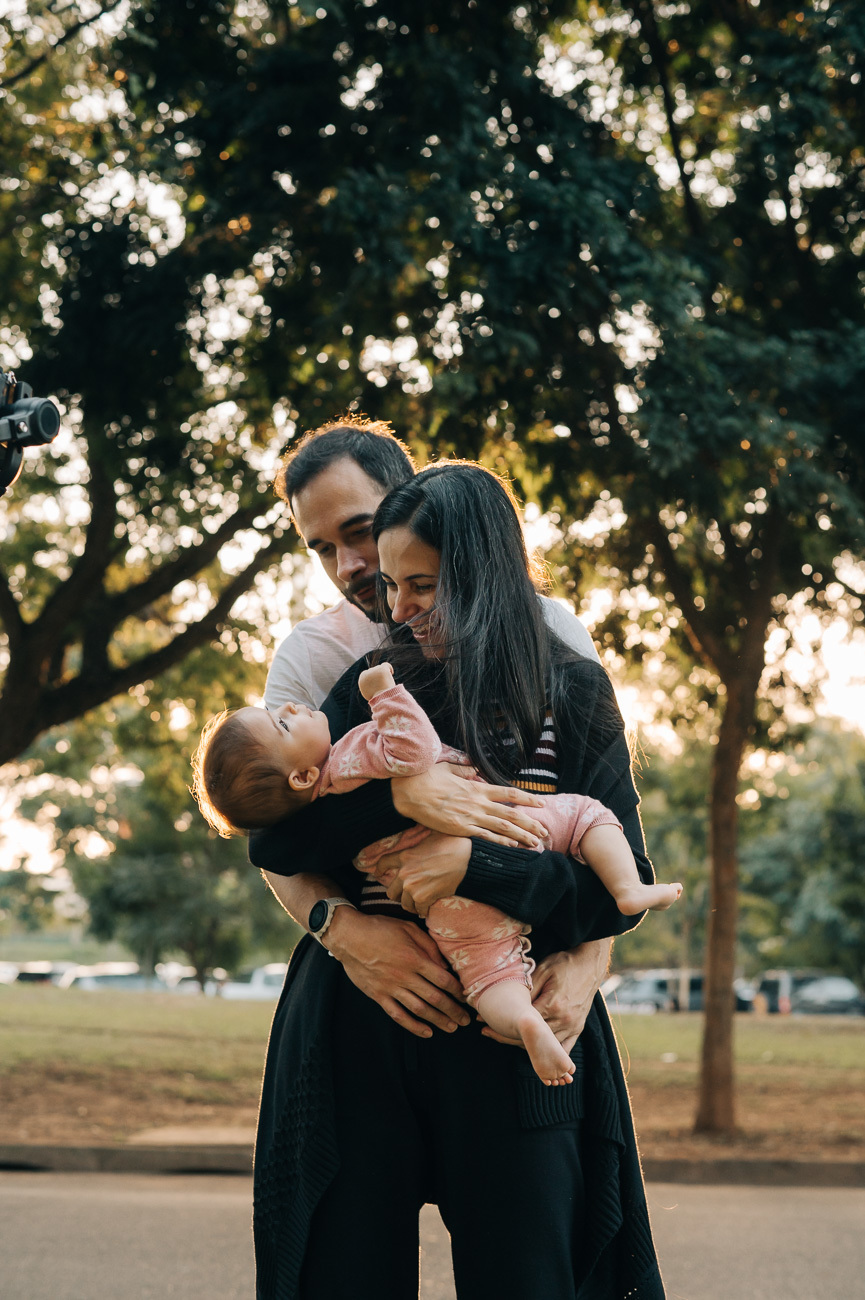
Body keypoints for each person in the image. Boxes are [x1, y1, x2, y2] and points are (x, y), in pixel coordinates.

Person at [249, 457, 666, 1299]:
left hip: (511, 1040)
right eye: (389, 586)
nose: (396, 608)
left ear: (482, 573)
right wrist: (400, 797)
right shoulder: (371, 681)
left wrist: (480, 863)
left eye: (421, 586)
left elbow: (613, 892)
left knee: (530, 1276)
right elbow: (278, 839)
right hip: (363, 1031)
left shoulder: (572, 687)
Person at [192, 661, 680, 1085]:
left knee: (490, 973)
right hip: (511, 826)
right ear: (299, 777)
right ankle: (627, 886)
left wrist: (459, 856)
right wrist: (384, 695)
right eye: (281, 723)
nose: (291, 707)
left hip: (441, 907)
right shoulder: (350, 750)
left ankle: (523, 1021)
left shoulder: (315, 806)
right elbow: (414, 749)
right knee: (586, 816)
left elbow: (276, 839)